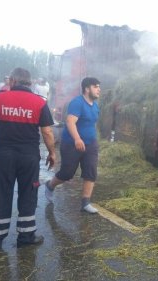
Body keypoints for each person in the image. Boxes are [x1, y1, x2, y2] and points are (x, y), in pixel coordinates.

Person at [0, 67, 56, 250]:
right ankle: (26, 237)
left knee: (1, 193)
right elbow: (47, 132)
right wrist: (52, 153)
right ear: (30, 83)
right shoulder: (39, 102)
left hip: (4, 155)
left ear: (12, 81)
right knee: (28, 193)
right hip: (29, 156)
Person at [44, 77, 101, 214]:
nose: (99, 89)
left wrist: (92, 139)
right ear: (87, 89)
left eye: (99, 87)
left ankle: (85, 203)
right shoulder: (77, 103)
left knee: (91, 171)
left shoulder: (95, 106)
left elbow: (91, 124)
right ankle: (50, 185)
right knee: (67, 173)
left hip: (90, 144)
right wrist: (77, 139)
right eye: (95, 86)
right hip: (72, 144)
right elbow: (70, 122)